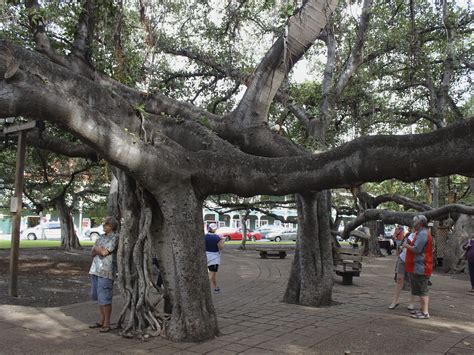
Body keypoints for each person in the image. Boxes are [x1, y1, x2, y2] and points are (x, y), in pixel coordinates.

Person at [88, 216, 120, 333]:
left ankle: (107, 323)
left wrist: (97, 249)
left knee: (105, 297)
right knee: (97, 296)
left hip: (106, 271)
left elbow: (104, 252)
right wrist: (97, 249)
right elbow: (92, 253)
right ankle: (101, 320)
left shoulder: (115, 238)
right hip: (95, 270)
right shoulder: (101, 237)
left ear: (111, 226)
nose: (103, 226)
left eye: (105, 224)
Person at [403, 215, 433, 319]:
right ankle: (422, 310)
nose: (413, 224)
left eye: (414, 222)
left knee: (422, 290)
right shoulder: (421, 233)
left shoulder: (423, 234)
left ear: (420, 224)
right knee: (420, 289)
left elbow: (417, 249)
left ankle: (425, 312)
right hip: (417, 266)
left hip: (421, 267)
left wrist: (406, 245)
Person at [388, 226, 416, 310]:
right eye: (413, 226)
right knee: (399, 279)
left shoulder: (421, 236)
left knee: (412, 281)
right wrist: (402, 247)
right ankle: (395, 301)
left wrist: (406, 246)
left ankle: (412, 302)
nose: (414, 227)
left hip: (413, 260)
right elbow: (402, 245)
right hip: (402, 258)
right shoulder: (408, 235)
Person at [205, 223, 225, 294]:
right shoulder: (217, 238)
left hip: (205, 256)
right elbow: (221, 247)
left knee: (213, 274)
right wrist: (223, 241)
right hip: (214, 258)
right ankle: (204, 289)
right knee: (211, 274)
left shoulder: (204, 236)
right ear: (215, 229)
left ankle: (216, 288)